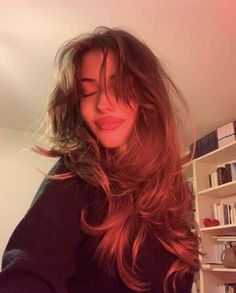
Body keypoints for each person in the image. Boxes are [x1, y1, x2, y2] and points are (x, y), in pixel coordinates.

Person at [0, 26, 200, 292]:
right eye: (89, 92)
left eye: (118, 86)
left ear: (146, 95)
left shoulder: (174, 192)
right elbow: (28, 272)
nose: (103, 103)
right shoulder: (75, 176)